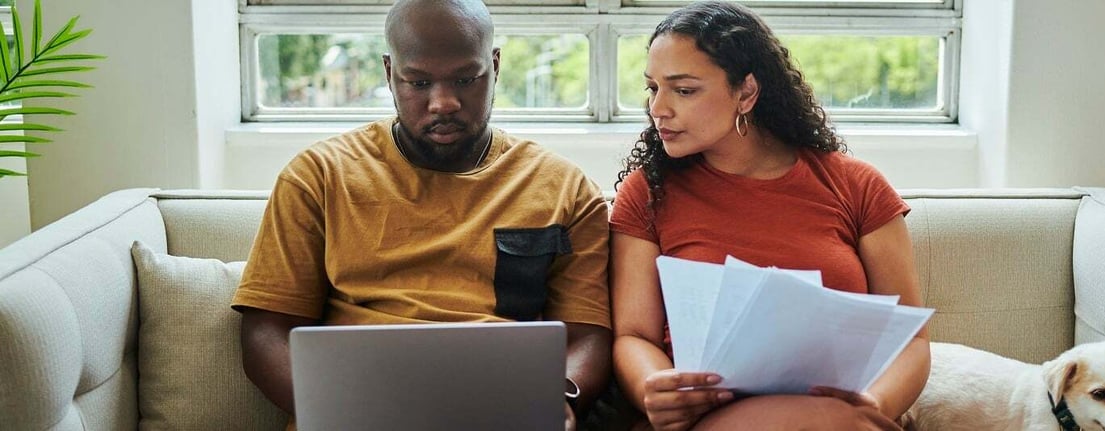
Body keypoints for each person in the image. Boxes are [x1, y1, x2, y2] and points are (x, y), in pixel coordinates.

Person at [230, 1, 612, 430]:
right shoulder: (318, 177)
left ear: (495, 66)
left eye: (466, 79)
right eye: (419, 82)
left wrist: (559, 400)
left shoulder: (564, 190)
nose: (444, 102)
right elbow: (266, 331)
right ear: (389, 72)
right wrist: (341, 412)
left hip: (502, 415)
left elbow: (587, 336)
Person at [609, 2, 929, 430]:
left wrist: (873, 401)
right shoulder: (648, 192)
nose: (658, 108)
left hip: (845, 417)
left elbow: (911, 340)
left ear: (746, 93)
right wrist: (653, 386)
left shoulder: (858, 187)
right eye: (652, 88)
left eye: (683, 90)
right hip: (710, 416)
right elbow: (633, 335)